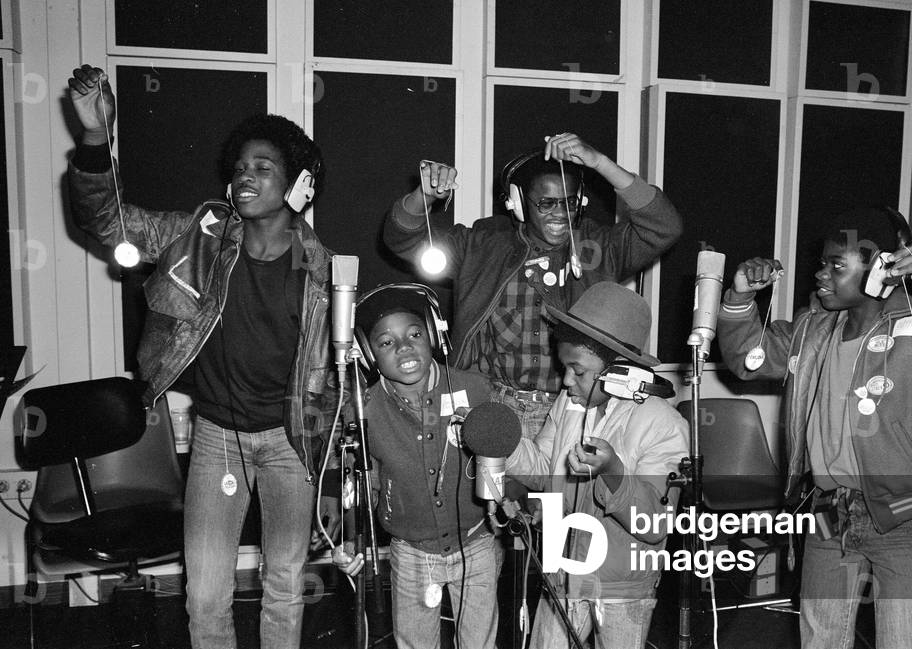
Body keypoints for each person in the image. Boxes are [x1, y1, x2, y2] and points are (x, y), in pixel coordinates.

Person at [66, 64, 346, 649]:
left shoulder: (326, 272)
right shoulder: (198, 236)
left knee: (284, 588)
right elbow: (107, 220)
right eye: (239, 167)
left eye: (262, 167)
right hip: (217, 436)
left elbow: (330, 387)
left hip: (290, 445)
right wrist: (96, 138)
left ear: (300, 186)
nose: (244, 176)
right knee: (205, 595)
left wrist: (329, 479)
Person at [716, 207, 912, 649]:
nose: (819, 274)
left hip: (903, 520)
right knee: (820, 641)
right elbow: (751, 358)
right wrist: (740, 299)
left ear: (881, 267)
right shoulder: (811, 329)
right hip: (824, 516)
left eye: (834, 265)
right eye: (821, 263)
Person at [384, 134, 683, 440]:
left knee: (555, 489)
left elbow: (664, 226)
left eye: (569, 203)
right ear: (517, 204)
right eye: (546, 203)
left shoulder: (598, 248)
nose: (560, 214)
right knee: (492, 489)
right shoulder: (483, 247)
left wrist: (600, 162)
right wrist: (423, 196)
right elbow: (402, 240)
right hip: (492, 402)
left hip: (572, 407)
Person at [505, 282, 689, 649]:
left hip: (622, 586)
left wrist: (612, 470)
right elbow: (543, 466)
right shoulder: (570, 403)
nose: (566, 381)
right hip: (565, 573)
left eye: (578, 371)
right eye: (564, 368)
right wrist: (499, 443)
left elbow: (654, 524)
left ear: (619, 372)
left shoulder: (663, 424)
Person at [352, 284, 501, 649]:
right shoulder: (364, 410)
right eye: (386, 342)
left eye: (415, 334)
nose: (404, 347)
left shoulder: (476, 390)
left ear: (433, 336)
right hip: (412, 553)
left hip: (476, 546)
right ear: (369, 354)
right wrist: (348, 535)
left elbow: (501, 460)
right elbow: (362, 486)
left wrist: (505, 498)